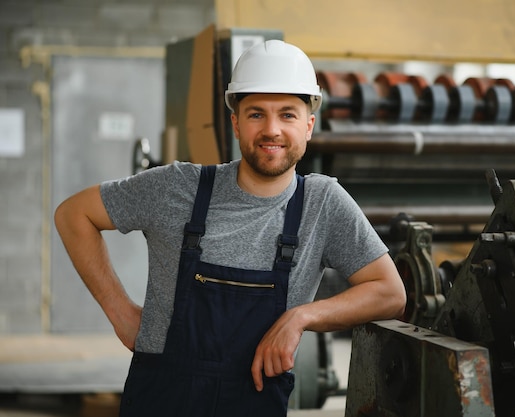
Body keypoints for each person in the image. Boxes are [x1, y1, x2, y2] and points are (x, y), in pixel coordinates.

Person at [55, 39, 406, 417]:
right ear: (236, 123)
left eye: (287, 114)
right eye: (256, 114)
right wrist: (119, 311)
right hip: (162, 400)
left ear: (308, 125)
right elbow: (74, 214)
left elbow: (390, 293)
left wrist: (301, 317)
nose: (271, 130)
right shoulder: (176, 187)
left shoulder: (323, 203)